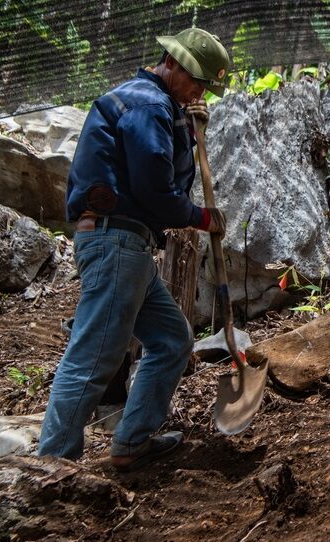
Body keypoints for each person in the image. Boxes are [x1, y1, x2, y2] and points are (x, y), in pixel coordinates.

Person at [38, 28, 232, 472]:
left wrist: (189, 127)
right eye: (198, 82)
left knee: (171, 339)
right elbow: (153, 188)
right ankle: (53, 467)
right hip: (115, 242)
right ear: (174, 64)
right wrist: (200, 216)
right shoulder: (147, 105)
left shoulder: (160, 106)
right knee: (93, 356)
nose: (200, 93)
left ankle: (132, 441)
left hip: (130, 245)